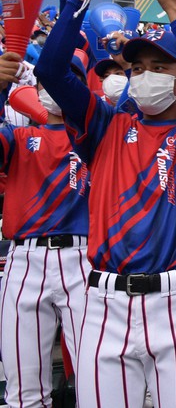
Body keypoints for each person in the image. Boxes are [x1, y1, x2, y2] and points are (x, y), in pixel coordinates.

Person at [34, 0, 176, 407]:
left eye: (159, 68)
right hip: (104, 306)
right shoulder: (106, 126)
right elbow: (51, 72)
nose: (144, 76)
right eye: (137, 68)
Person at [0, 55, 90, 408]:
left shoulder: (96, 139)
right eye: (48, 81)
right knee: (24, 391)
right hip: (25, 258)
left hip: (83, 258)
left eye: (69, 79)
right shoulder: (18, 135)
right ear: (36, 90)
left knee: (98, 379)